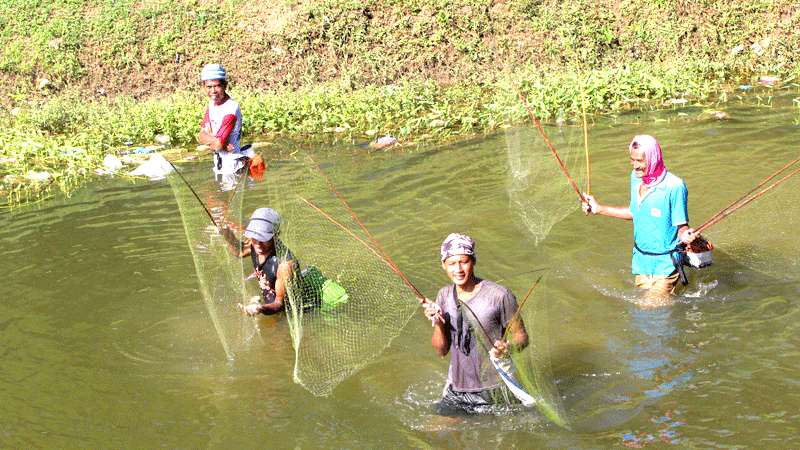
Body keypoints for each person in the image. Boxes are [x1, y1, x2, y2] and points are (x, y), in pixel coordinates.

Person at [581, 134, 697, 306]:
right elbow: (635, 212)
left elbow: (681, 227)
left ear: (653, 158)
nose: (635, 166)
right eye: (632, 160)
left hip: (666, 265)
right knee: (646, 315)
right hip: (641, 263)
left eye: (640, 161)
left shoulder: (675, 186)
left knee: (646, 309)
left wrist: (685, 235)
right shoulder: (635, 178)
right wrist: (599, 209)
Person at [423, 233, 529, 415]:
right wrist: (439, 324)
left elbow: (522, 337)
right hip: (457, 388)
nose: (458, 269)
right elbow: (441, 351)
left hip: (495, 389)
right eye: (451, 263)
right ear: (443, 266)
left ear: (473, 261)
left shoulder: (500, 296)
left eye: (463, 262)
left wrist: (508, 347)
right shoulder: (444, 295)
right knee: (437, 437)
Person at [197, 63, 263, 187]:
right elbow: (201, 136)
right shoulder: (211, 104)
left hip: (232, 167)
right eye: (209, 87)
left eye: (217, 86)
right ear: (203, 87)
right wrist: (216, 141)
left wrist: (214, 141)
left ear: (225, 85)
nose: (213, 91)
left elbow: (217, 145)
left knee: (228, 203)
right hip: (220, 164)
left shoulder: (230, 110)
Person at [221, 208, 296, 315]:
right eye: (255, 237)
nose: (258, 244)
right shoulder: (254, 243)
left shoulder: (285, 265)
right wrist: (228, 235)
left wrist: (259, 308)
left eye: (264, 239)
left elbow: (279, 304)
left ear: (276, 235)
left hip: (287, 313)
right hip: (268, 304)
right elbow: (240, 252)